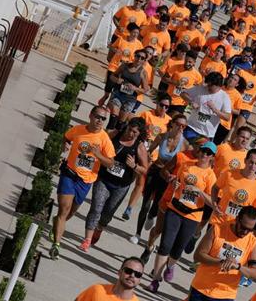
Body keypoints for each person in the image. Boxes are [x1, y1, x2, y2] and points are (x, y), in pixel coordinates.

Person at [177, 206, 256, 301]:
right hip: (201, 288)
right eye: (243, 227)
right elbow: (198, 255)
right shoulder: (218, 229)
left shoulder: (252, 242)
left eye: (249, 229)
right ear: (237, 219)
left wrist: (238, 266)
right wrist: (220, 262)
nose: (245, 232)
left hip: (224, 295)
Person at [146, 142, 217, 293]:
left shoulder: (211, 176)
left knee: (178, 249)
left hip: (192, 215)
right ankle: (155, 279)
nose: (204, 154)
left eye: (208, 153)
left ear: (212, 157)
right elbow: (175, 179)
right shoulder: (186, 165)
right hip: (175, 208)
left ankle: (171, 266)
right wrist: (173, 181)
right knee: (165, 244)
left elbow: (212, 202)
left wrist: (199, 191)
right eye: (203, 151)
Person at [50, 106, 116, 260]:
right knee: (64, 209)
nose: (100, 121)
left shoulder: (104, 138)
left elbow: (111, 163)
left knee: (71, 212)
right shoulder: (78, 129)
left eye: (103, 119)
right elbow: (66, 137)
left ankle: (57, 225)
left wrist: (99, 154)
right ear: (90, 115)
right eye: (98, 117)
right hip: (69, 174)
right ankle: (56, 245)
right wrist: (64, 144)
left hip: (86, 181)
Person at [80, 118, 149, 252]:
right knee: (95, 208)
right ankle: (87, 240)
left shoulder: (139, 147)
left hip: (121, 186)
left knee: (107, 214)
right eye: (130, 130)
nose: (131, 134)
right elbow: (100, 138)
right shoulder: (115, 134)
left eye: (135, 132)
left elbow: (145, 170)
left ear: (139, 134)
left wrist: (134, 166)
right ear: (127, 126)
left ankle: (100, 228)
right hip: (103, 179)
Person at [130, 114, 188, 245]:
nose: (181, 128)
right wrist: (148, 157)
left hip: (167, 176)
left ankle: (152, 215)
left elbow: (186, 162)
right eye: (178, 124)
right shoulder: (162, 137)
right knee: (145, 202)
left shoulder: (184, 144)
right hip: (155, 170)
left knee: (157, 203)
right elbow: (149, 151)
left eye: (184, 126)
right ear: (172, 123)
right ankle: (137, 233)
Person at [122, 93, 172, 220]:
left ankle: (129, 208)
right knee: (131, 177)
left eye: (167, 107)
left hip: (154, 156)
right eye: (162, 105)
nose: (164, 109)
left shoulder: (168, 121)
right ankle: (121, 197)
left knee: (141, 181)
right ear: (157, 104)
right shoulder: (146, 114)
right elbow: (134, 124)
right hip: (141, 150)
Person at [209, 148, 256, 226]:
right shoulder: (229, 174)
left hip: (237, 227)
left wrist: (250, 214)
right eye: (251, 162)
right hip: (218, 221)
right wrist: (214, 205)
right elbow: (215, 188)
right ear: (245, 161)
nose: (253, 166)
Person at [180, 72, 232, 145]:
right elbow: (183, 94)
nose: (208, 87)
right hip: (192, 128)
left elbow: (227, 117)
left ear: (218, 86)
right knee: (182, 149)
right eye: (208, 84)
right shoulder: (200, 89)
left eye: (211, 85)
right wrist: (191, 102)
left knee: (197, 155)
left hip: (206, 134)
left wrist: (215, 110)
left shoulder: (224, 97)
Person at [106, 48, 150, 131]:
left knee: (120, 123)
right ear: (134, 56)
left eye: (142, 58)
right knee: (114, 115)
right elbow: (112, 76)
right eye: (138, 56)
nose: (139, 59)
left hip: (130, 99)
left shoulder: (143, 73)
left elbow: (145, 90)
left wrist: (135, 88)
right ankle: (107, 134)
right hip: (118, 94)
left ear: (144, 61)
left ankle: (113, 138)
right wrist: (117, 80)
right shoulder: (125, 66)